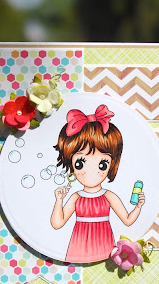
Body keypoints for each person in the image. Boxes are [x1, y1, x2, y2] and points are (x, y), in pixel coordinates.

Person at [51, 104, 145, 263]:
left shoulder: (108, 196)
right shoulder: (75, 197)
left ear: (112, 164)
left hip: (103, 243)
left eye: (102, 164)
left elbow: (128, 220)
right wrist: (59, 200)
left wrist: (138, 206)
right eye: (80, 163)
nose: (91, 172)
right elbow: (57, 223)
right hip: (79, 243)